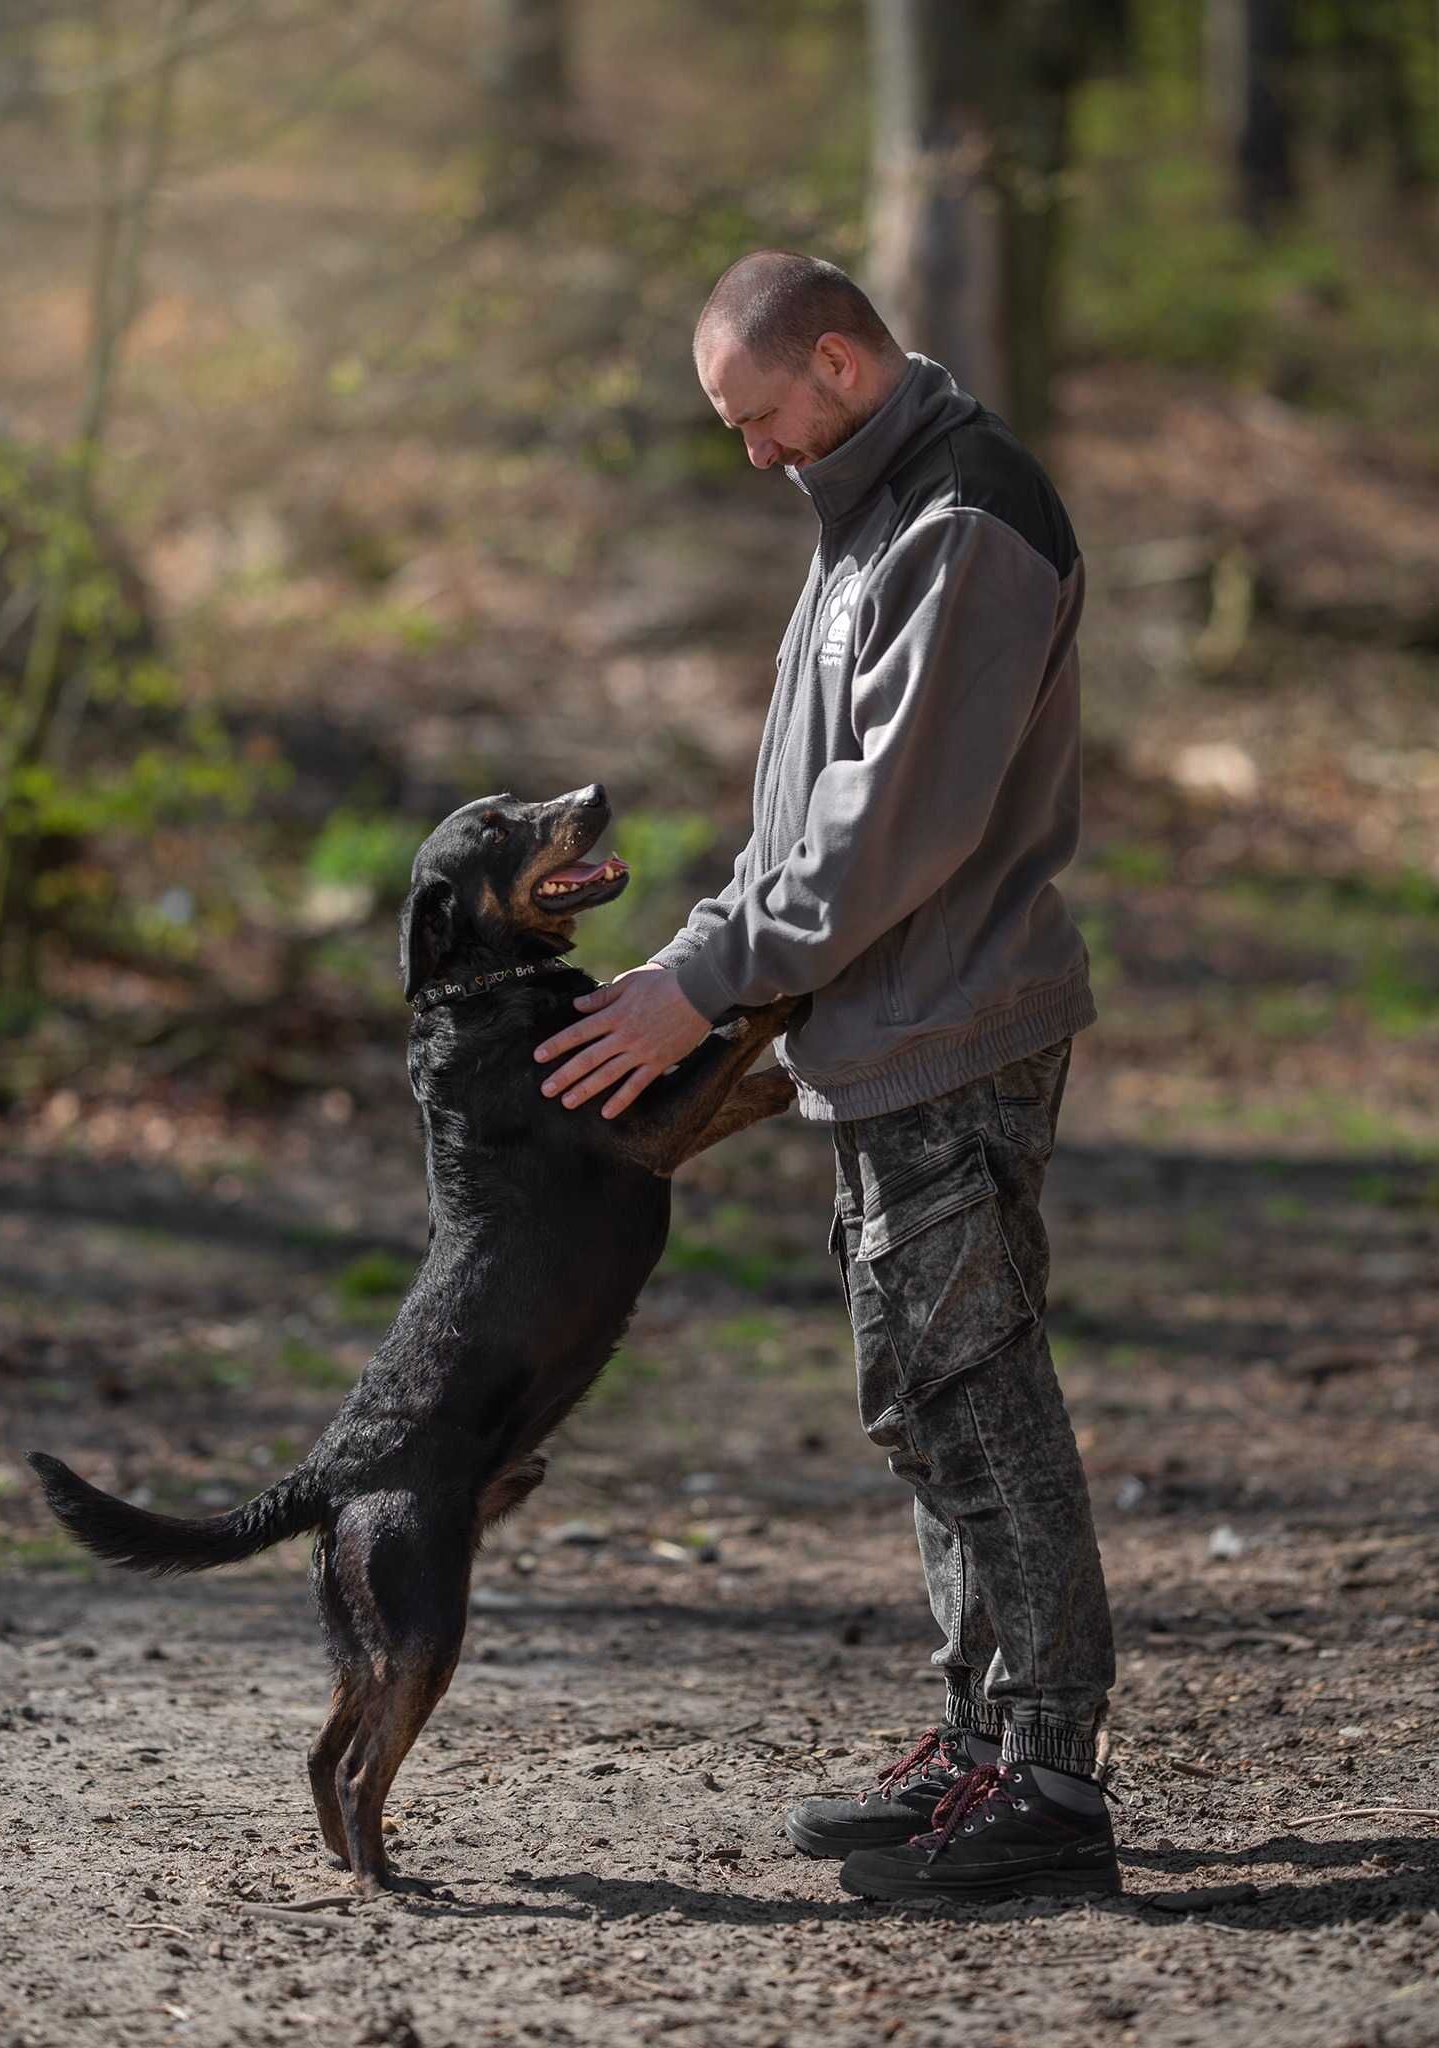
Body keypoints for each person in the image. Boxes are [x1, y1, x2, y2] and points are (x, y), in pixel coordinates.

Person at [532, 250, 1118, 1904]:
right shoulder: (869, 516)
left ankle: (1054, 1780)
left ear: (845, 363)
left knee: (979, 1399)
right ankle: (981, 1738)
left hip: (953, 1031)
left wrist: (705, 984)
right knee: (927, 1406)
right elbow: (801, 818)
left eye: (758, 415)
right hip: (871, 1039)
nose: (750, 452)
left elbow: (888, 836)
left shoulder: (964, 523)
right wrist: (691, 961)